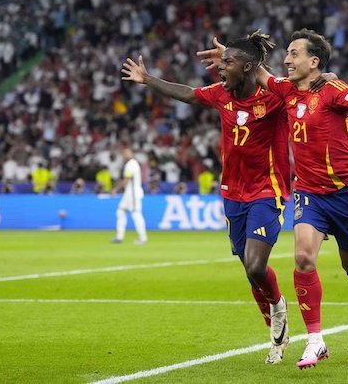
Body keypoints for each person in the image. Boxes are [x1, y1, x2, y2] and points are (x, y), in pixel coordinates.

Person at [198, 28, 348, 368]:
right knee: (303, 258)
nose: (287, 59)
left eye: (294, 54)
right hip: (307, 191)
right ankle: (315, 341)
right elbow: (259, 72)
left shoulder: (333, 90)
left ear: (313, 61)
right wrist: (229, 58)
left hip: (346, 193)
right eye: (287, 54)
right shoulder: (286, 90)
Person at [121, 31, 323, 364]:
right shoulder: (220, 94)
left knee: (257, 266)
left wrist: (324, 77)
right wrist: (147, 79)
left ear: (247, 68)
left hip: (267, 190)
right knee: (248, 268)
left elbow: (306, 86)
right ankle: (277, 325)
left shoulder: (274, 98)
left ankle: (277, 308)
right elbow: (187, 94)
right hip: (233, 193)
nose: (220, 68)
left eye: (228, 62)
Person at [110, 146, 149, 245]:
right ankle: (119, 237)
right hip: (128, 193)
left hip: (133, 193)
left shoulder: (132, 164)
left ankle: (143, 238)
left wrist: (116, 189)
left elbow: (126, 180)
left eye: (127, 153)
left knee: (136, 214)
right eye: (124, 153)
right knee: (120, 212)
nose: (125, 155)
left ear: (131, 154)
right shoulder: (130, 164)